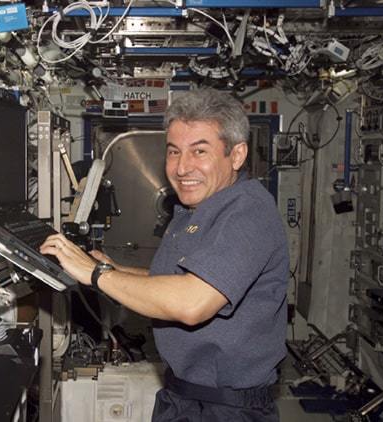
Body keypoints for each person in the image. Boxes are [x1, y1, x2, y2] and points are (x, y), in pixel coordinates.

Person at [40, 89, 288, 421]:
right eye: (174, 152)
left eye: (199, 151)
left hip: (227, 409)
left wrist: (96, 275)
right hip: (182, 397)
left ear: (237, 155)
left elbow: (191, 303)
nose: (183, 167)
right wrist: (113, 270)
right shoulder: (191, 210)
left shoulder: (248, 211)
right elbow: (175, 282)